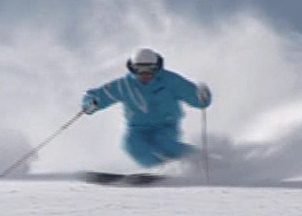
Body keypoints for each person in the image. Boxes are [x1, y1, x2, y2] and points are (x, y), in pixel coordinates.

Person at [81, 48, 212, 168]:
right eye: (140, 69)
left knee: (164, 143)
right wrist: (91, 103)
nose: (145, 74)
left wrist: (201, 96)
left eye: (150, 69)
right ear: (133, 68)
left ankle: (204, 159)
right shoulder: (124, 85)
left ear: (157, 67)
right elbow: (99, 95)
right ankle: (159, 169)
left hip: (165, 125)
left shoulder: (170, 81)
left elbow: (195, 96)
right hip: (137, 128)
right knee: (132, 145)